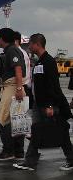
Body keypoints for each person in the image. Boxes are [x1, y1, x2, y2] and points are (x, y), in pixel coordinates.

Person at [14, 34, 73, 171]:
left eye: (30, 44)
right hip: (39, 104)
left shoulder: (48, 61)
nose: (29, 46)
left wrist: (50, 105)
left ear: (37, 44)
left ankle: (69, 159)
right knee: (37, 132)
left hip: (48, 105)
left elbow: (53, 86)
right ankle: (30, 162)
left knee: (60, 133)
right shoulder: (39, 62)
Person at [0, 27, 26, 162]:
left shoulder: (12, 50)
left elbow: (18, 69)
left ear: (3, 39)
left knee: (1, 120)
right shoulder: (12, 50)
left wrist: (18, 88)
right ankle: (17, 151)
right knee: (16, 121)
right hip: (12, 86)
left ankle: (8, 151)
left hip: (12, 87)